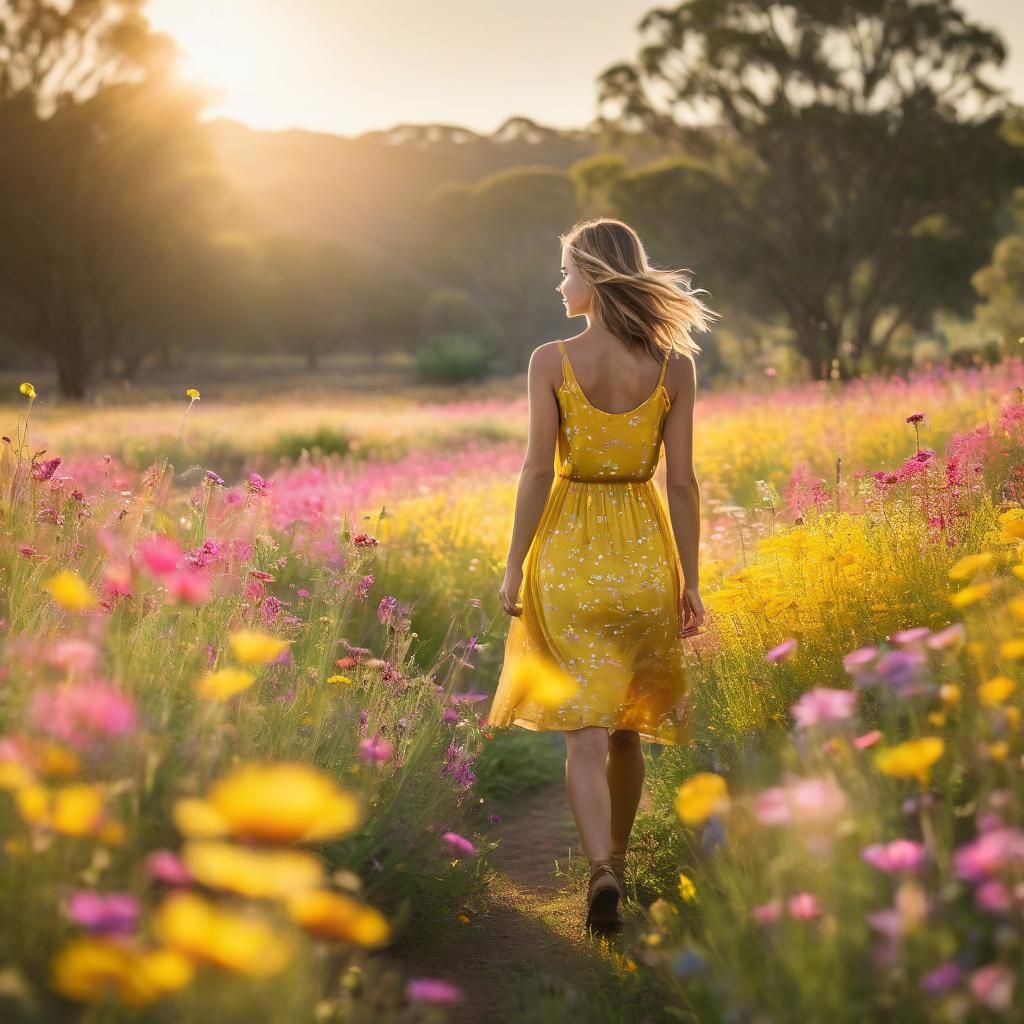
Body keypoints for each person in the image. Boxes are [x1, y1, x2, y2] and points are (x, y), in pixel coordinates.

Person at [488, 217, 715, 931]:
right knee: (625, 731)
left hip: (568, 552)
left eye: (567, 272)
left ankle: (601, 871)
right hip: (644, 554)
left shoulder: (550, 360)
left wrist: (513, 564)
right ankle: (618, 857)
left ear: (592, 275)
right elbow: (683, 484)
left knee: (582, 730)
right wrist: (691, 580)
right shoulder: (674, 366)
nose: (560, 286)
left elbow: (534, 469)